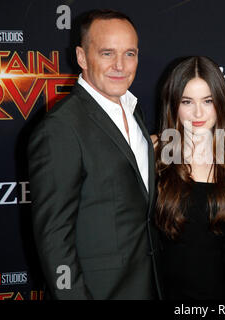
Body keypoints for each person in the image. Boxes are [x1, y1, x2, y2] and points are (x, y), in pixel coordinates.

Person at [27, 9, 161, 299]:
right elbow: (54, 238)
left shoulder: (133, 109)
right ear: (81, 57)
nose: (120, 66)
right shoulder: (60, 128)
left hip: (146, 285)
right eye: (107, 53)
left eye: (130, 53)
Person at [152, 56, 225, 299]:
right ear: (173, 104)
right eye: (187, 101)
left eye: (208, 101)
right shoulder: (154, 151)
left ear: (220, 103)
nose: (198, 112)